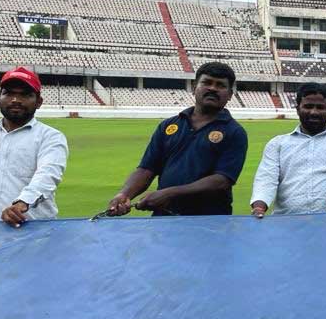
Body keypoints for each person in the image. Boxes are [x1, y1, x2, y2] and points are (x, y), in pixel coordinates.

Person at [107, 62, 249, 216]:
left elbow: (222, 180)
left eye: (220, 85)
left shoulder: (234, 132)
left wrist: (169, 193)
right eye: (207, 82)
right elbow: (147, 168)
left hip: (209, 220)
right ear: (194, 87)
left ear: (229, 95)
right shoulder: (168, 125)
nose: (212, 88)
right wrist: (124, 194)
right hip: (164, 218)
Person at [250, 83, 326, 217]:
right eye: (308, 106)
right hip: (285, 223)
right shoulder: (277, 144)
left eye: (320, 107)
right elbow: (266, 178)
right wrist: (259, 207)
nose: (314, 112)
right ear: (297, 109)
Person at [0, 67, 68, 228]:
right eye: (8, 93)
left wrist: (23, 202)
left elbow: (48, 175)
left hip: (32, 233)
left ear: (39, 102)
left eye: (25, 94)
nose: (15, 100)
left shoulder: (50, 137)